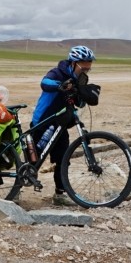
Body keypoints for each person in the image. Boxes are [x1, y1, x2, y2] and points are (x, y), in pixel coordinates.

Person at [31, 45, 96, 206]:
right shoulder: (58, 72)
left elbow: (78, 103)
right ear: (74, 63)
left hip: (61, 124)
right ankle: (17, 188)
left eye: (89, 64)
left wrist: (84, 95)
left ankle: (60, 194)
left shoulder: (81, 78)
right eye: (84, 63)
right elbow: (44, 82)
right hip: (44, 121)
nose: (87, 67)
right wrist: (60, 86)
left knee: (63, 159)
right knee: (33, 159)